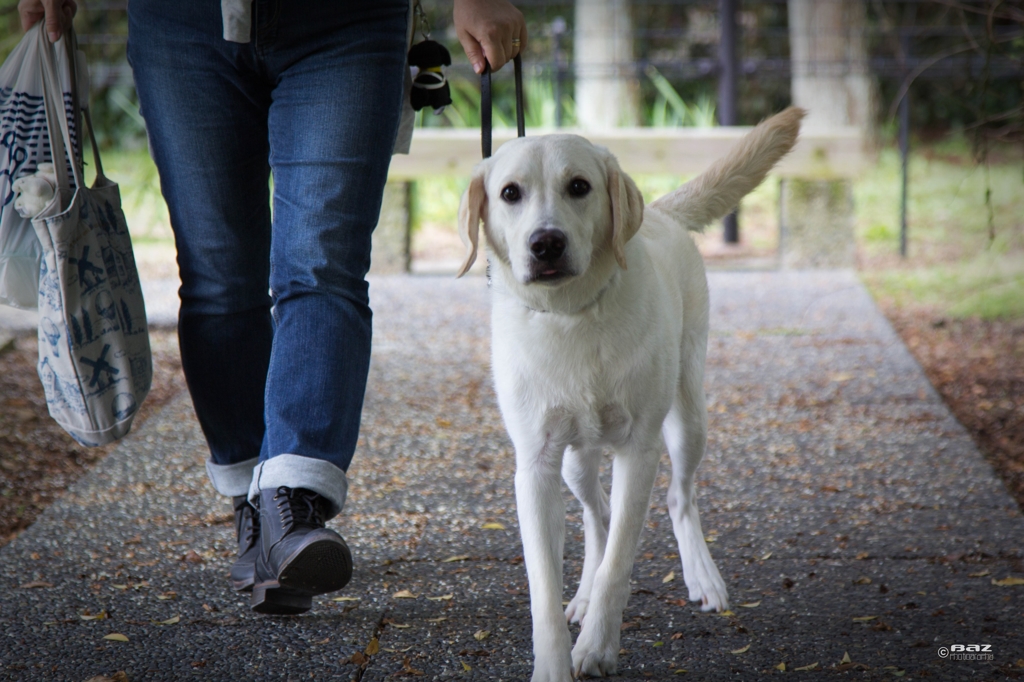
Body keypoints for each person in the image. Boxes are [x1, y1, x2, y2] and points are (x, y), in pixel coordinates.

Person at [20, 0, 526, 615]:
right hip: (183, 23)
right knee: (218, 279)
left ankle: (293, 507)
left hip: (348, 23)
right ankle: (256, 511)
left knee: (322, 265)